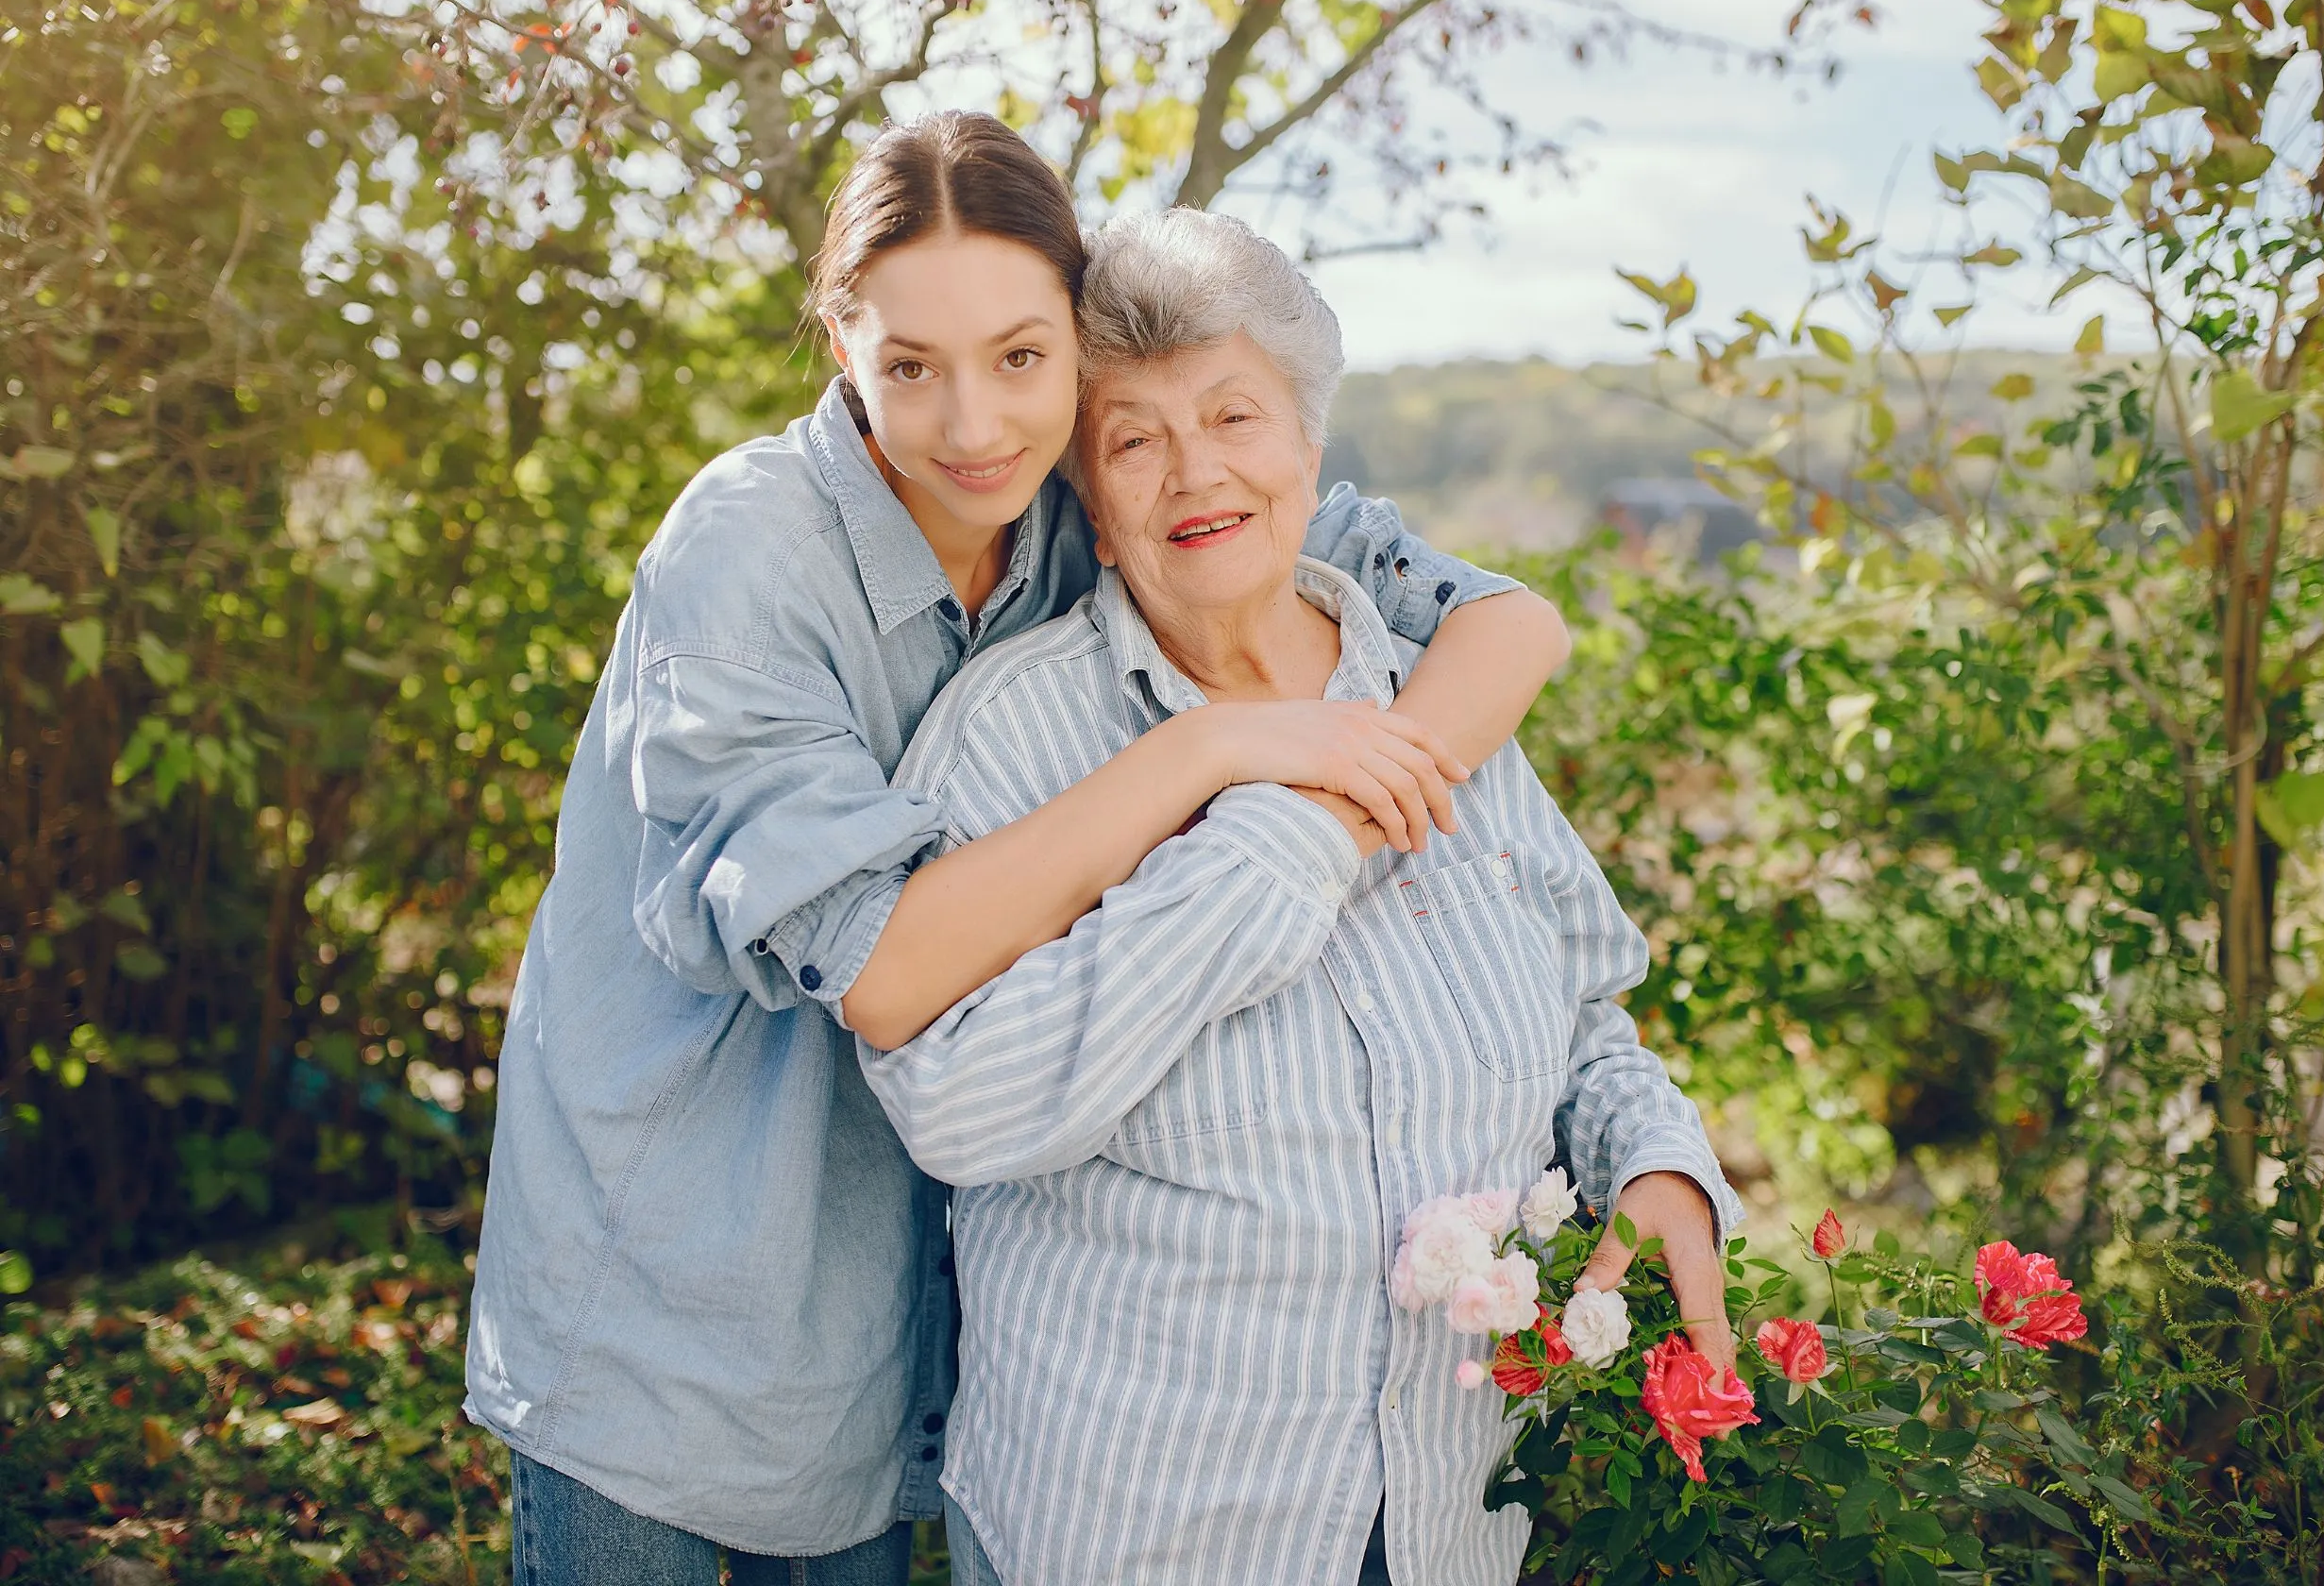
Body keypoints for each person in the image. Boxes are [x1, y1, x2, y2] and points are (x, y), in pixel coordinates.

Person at [464, 114, 1574, 1585]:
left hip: (901, 1319)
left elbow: (1510, 624)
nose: (974, 423)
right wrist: (1217, 751)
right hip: (678, 1298)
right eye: (909, 366)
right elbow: (887, 965)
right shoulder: (746, 553)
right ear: (838, 343)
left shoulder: (1101, 492)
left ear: (1071, 337)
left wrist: (1337, 806)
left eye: (1020, 357)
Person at [861, 209, 1743, 1586]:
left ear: (1310, 450)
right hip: (1145, 1529)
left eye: (1235, 417)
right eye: (1135, 439)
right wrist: (1288, 842)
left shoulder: (1435, 690)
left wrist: (1660, 1163)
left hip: (1451, 1518)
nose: (1194, 473)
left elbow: (1581, 1007)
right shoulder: (1009, 745)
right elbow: (956, 1111)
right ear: (1087, 492)